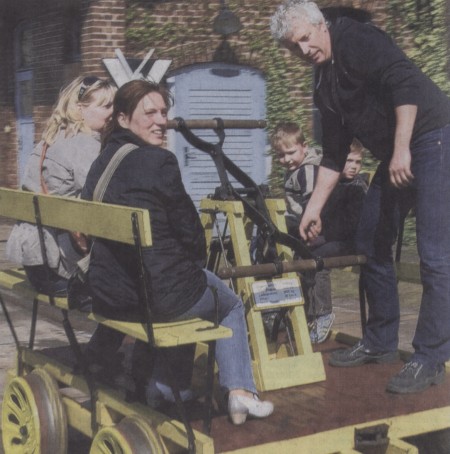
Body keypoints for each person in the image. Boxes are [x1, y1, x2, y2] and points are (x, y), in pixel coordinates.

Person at [271, 0, 450, 394]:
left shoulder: (357, 39)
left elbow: (405, 84)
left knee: (435, 254)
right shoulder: (323, 82)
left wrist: (400, 149)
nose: (303, 50)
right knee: (370, 241)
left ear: (321, 25)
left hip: (433, 137)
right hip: (398, 151)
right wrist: (313, 208)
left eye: (305, 38)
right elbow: (334, 153)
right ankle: (381, 341)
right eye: (293, 47)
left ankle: (430, 358)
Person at [81, 80, 274, 424]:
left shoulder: (103, 161)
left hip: (111, 293)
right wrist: (193, 261)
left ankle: (169, 386)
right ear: (123, 118)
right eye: (150, 113)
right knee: (227, 303)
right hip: (152, 298)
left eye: (163, 112)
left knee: (189, 284)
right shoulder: (159, 161)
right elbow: (191, 233)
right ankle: (240, 393)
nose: (161, 121)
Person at [6, 76, 116, 295]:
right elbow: (106, 196)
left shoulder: (49, 139)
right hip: (61, 267)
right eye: (106, 106)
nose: (113, 111)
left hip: (36, 264)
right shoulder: (84, 144)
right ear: (79, 108)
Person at [304, 140, 368, 343]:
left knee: (318, 259)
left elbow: (350, 226)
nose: (354, 166)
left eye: (358, 162)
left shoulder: (358, 189)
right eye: (349, 161)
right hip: (334, 239)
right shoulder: (332, 186)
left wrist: (322, 238)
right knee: (302, 254)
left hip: (353, 242)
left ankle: (323, 313)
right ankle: (307, 312)